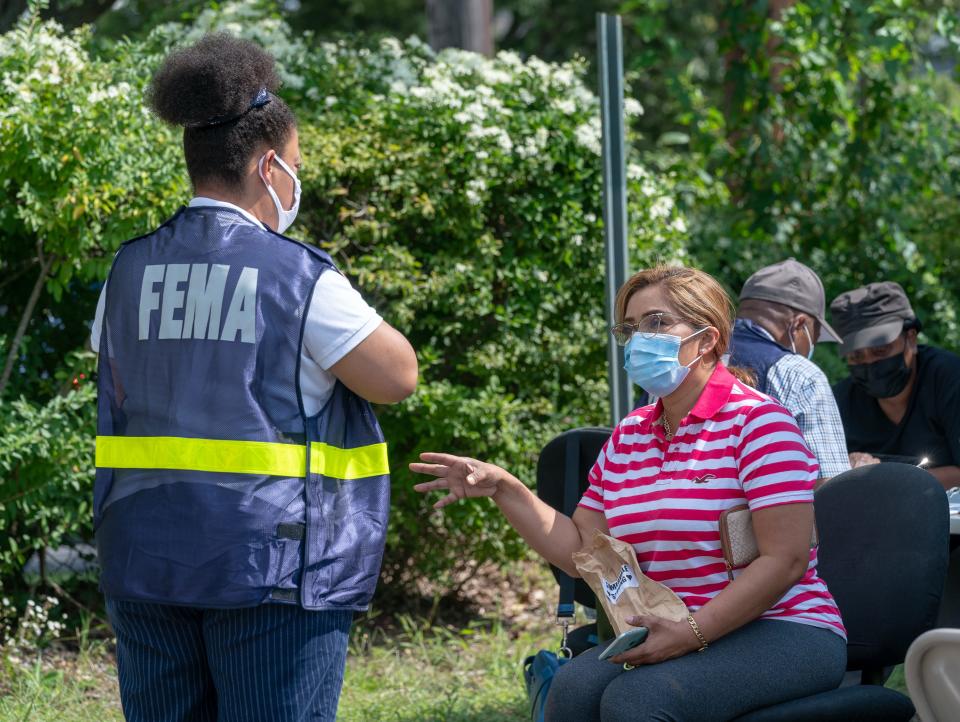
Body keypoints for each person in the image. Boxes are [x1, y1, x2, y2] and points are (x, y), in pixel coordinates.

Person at [91, 34, 417, 722]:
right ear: (269, 166)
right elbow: (397, 376)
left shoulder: (126, 271)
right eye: (296, 165)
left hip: (145, 559)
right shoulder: (299, 278)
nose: (297, 180)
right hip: (271, 569)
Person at [412, 265, 846, 721]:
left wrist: (691, 632)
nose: (641, 338)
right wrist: (506, 488)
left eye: (657, 322)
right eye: (632, 327)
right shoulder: (629, 436)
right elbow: (585, 551)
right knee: (572, 689)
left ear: (708, 339)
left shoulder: (761, 425)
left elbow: (787, 560)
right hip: (672, 624)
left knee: (639, 699)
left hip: (784, 627)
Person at [728, 258, 850, 484]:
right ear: (798, 325)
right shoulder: (801, 376)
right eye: (813, 337)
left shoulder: (692, 355)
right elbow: (830, 487)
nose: (811, 347)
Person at [831, 281, 960, 490]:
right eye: (856, 356)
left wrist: (885, 476)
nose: (869, 363)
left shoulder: (950, 381)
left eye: (880, 351)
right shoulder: (840, 402)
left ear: (911, 339)